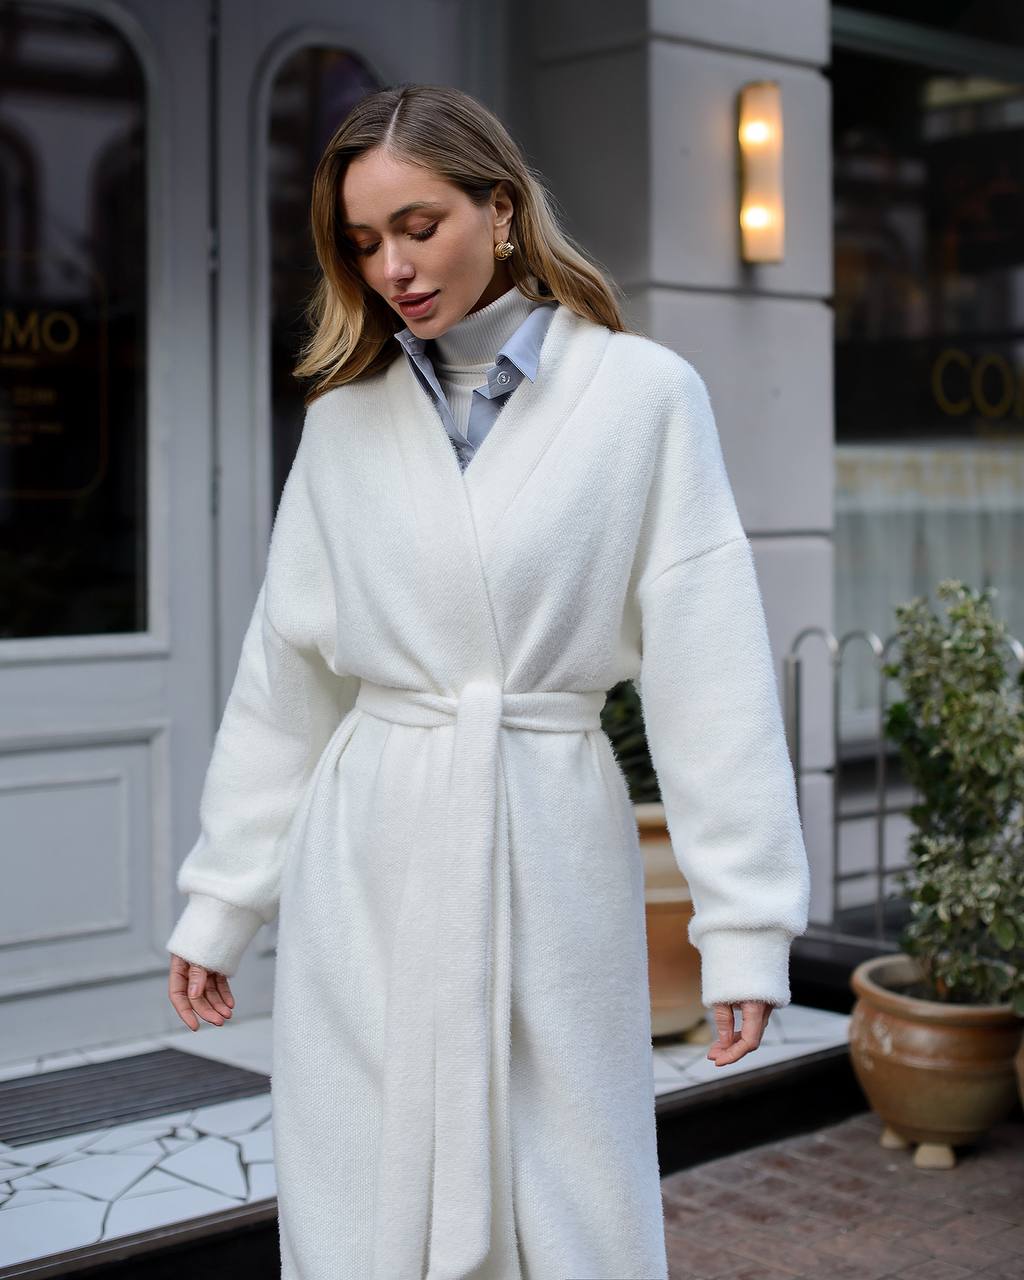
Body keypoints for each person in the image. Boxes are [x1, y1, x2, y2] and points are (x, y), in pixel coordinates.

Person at [165, 82, 810, 1280]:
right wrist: (222, 898)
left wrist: (742, 928)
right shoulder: (346, 421)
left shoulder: (643, 398)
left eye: (419, 226)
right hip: (368, 854)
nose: (394, 268)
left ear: (501, 210)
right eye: (365, 242)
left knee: (568, 1193)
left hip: (545, 839)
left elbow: (708, 678)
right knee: (358, 1188)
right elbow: (284, 681)